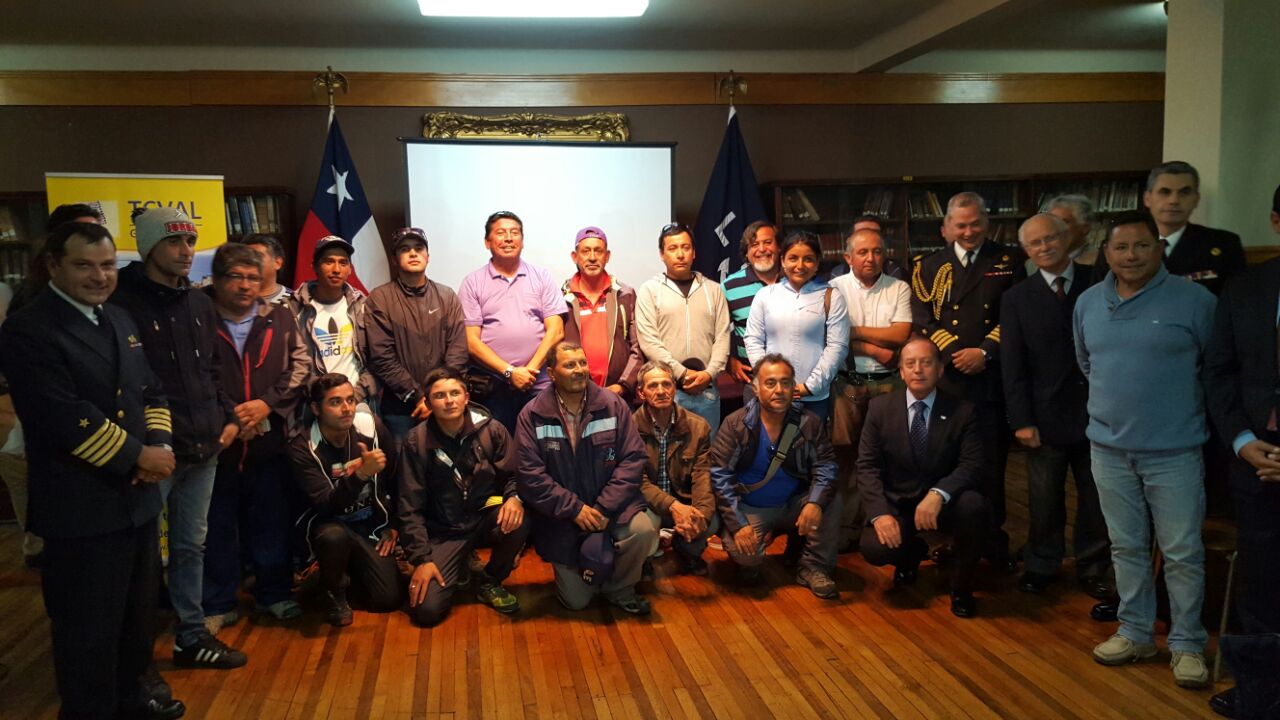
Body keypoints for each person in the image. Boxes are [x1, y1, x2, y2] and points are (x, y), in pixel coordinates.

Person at [0, 221, 186, 719]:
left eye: (107, 265)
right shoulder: (29, 329)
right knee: (87, 632)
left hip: (137, 502)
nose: (99, 276)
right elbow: (62, 415)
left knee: (135, 621)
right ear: (53, 265)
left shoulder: (118, 318)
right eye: (84, 265)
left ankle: (132, 699)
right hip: (81, 507)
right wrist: (138, 457)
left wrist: (159, 445)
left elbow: (150, 390)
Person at [1073, 211, 1216, 689]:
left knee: (1182, 552)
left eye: (1141, 246)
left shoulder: (1195, 301)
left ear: (1159, 249)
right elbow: (1088, 363)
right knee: (1126, 546)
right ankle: (1135, 632)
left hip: (1175, 450)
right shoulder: (1088, 303)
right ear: (1106, 253)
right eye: (1120, 247)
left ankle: (1187, 643)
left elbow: (1214, 368)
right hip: (1108, 449)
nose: (1130, 255)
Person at [110, 207, 248, 669]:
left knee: (191, 546)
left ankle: (190, 637)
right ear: (149, 245)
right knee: (141, 554)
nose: (186, 251)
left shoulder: (199, 303)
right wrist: (144, 446)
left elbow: (212, 369)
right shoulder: (120, 302)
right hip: (151, 452)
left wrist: (228, 416)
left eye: (190, 241)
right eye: (174, 242)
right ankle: (134, 652)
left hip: (204, 445)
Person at [910, 191, 1026, 570]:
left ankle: (992, 541)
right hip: (948, 382)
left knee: (990, 465)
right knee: (946, 463)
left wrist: (985, 352)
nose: (969, 231)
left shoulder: (1009, 261)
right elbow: (924, 319)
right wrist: (956, 352)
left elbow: (1014, 316)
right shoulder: (928, 266)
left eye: (976, 223)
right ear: (947, 227)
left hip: (989, 381)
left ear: (986, 222)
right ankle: (951, 540)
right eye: (961, 225)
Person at [1000, 213, 1111, 598]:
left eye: (1050, 238)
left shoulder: (1099, 282)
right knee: (1044, 499)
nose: (1044, 247)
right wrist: (1021, 420)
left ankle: (1093, 565)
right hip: (1043, 416)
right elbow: (1012, 365)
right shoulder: (1016, 297)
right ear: (1026, 250)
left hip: (1098, 411)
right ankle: (1042, 563)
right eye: (1035, 243)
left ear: (1066, 238)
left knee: (1096, 498)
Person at [1201, 183, 1280, 719]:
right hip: (1256, 454)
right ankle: (1260, 689)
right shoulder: (1246, 287)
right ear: (1275, 222)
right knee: (1261, 578)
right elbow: (1220, 372)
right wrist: (1242, 441)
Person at [204, 243, 311, 631]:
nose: (245, 285)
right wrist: (233, 416)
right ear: (217, 280)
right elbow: (197, 375)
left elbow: (301, 366)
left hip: (269, 437)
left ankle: (274, 595)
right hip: (218, 441)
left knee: (270, 521)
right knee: (217, 525)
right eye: (236, 276)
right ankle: (217, 602)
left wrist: (267, 404)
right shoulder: (198, 318)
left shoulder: (279, 316)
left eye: (252, 277)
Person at [516, 342, 656, 615]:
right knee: (577, 602)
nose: (579, 370)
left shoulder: (613, 405)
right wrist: (575, 509)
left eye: (582, 363)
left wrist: (603, 507)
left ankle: (620, 589)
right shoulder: (532, 414)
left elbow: (633, 459)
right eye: (570, 365)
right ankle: (594, 570)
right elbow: (529, 476)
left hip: (612, 509)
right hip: (563, 517)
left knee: (643, 530)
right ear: (551, 373)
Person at [856, 338, 989, 617]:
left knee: (974, 506)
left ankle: (961, 586)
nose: (918, 370)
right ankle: (911, 554)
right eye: (910, 364)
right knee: (874, 547)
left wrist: (939, 493)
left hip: (943, 504)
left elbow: (973, 464)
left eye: (926, 363)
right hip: (899, 502)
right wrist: (880, 514)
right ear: (901, 372)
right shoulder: (879, 408)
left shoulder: (963, 411)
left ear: (940, 370)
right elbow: (867, 466)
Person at [399, 367, 529, 626]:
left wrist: (514, 497)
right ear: (428, 403)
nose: (449, 401)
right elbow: (408, 506)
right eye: (440, 396)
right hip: (443, 531)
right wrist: (421, 559)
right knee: (426, 612)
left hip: (482, 518)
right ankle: (457, 563)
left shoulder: (492, 430)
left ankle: (490, 580)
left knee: (520, 518)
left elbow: (514, 475)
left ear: (466, 397)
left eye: (455, 393)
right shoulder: (416, 441)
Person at [711, 354, 842, 599]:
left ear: (794, 387)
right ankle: (759, 554)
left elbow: (826, 465)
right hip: (751, 508)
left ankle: (814, 567)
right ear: (755, 388)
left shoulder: (809, 422)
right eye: (770, 383)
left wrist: (814, 503)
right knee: (746, 557)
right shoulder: (735, 424)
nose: (779, 390)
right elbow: (720, 476)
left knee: (830, 499)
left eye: (785, 382)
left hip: (793, 505)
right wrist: (738, 525)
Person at [288, 374, 401, 626]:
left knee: (387, 599)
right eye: (335, 402)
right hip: (327, 526)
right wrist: (360, 475)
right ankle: (332, 588)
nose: (347, 408)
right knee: (333, 537)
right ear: (316, 408)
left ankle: (343, 574)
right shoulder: (302, 447)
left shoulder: (370, 427)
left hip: (369, 523)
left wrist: (394, 524)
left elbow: (396, 478)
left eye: (350, 400)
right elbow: (326, 505)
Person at [828, 227, 914, 550]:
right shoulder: (834, 289)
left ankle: (882, 524)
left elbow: (900, 334)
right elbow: (832, 336)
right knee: (846, 456)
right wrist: (874, 348)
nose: (870, 258)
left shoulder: (898, 287)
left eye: (877, 251)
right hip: (846, 384)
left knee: (887, 455)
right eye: (862, 252)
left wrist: (854, 332)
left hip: (889, 384)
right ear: (848, 257)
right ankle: (846, 528)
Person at [459, 211, 566, 431]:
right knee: (498, 446)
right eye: (501, 233)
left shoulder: (542, 276)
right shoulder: (472, 282)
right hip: (493, 387)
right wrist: (510, 372)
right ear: (487, 242)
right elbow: (471, 341)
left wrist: (529, 372)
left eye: (514, 233)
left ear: (522, 241)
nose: (508, 238)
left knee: (544, 445)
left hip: (539, 385)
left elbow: (556, 331)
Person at [365, 227, 469, 441]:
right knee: (405, 462)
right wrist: (421, 396)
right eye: (405, 249)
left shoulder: (447, 296)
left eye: (419, 248)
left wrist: (438, 395)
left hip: (446, 404)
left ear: (427, 257)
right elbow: (382, 357)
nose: (413, 253)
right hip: (402, 409)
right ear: (394, 259)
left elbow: (458, 350)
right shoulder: (380, 298)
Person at [744, 230, 849, 422]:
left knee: (811, 440)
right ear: (782, 261)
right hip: (771, 394)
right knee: (768, 440)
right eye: (793, 258)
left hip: (813, 397)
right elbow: (753, 339)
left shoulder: (832, 296)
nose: (800, 266)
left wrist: (810, 386)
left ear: (817, 263)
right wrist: (768, 380)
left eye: (808, 259)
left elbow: (837, 347)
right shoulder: (766, 295)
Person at [636, 223, 732, 432]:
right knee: (667, 449)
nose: (680, 254)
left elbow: (723, 337)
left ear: (694, 252)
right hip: (667, 390)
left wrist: (709, 374)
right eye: (672, 248)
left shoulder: (714, 290)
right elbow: (649, 341)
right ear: (662, 254)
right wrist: (682, 373)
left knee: (706, 449)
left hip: (707, 390)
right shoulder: (649, 290)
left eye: (685, 247)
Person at [632, 360, 717, 576]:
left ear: (674, 388)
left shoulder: (698, 427)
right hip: (646, 505)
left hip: (683, 501)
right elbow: (637, 481)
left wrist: (700, 516)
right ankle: (643, 558)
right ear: (641, 393)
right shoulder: (629, 428)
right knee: (642, 526)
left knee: (712, 520)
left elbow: (703, 477)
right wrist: (673, 506)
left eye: (666, 384)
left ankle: (687, 549)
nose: (661, 391)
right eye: (653, 386)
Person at [290, 235, 377, 410]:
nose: (336, 269)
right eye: (329, 262)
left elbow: (376, 359)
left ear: (350, 269)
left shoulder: (362, 306)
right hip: (314, 404)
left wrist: (353, 397)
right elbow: (291, 364)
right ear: (315, 266)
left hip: (358, 399)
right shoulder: (294, 308)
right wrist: (325, 399)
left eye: (343, 263)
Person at [560, 226, 643, 401]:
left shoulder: (626, 295)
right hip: (574, 395)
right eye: (585, 251)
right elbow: (555, 350)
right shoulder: (560, 298)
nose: (592, 257)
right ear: (575, 256)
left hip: (619, 395)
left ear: (607, 256)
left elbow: (638, 347)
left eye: (598, 251)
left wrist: (623, 385)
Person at [723, 220, 781, 384]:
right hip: (753, 379)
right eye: (754, 244)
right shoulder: (729, 286)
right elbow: (715, 332)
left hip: (798, 376)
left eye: (768, 242)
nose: (762, 249)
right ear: (746, 253)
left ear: (779, 247)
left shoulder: (795, 281)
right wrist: (728, 361)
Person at [828, 215, 907, 281]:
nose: (869, 238)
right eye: (862, 233)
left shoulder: (893, 271)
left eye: (875, 233)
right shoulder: (838, 273)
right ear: (849, 241)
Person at [237, 233, 293, 305]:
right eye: (246, 257)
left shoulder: (295, 302)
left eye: (258, 256)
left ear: (277, 263)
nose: (251, 261)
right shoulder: (231, 301)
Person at [1045, 194, 1100, 266]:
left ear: (1085, 228)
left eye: (1064, 222)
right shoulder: (1034, 263)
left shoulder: (1100, 262)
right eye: (1052, 222)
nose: (1055, 228)